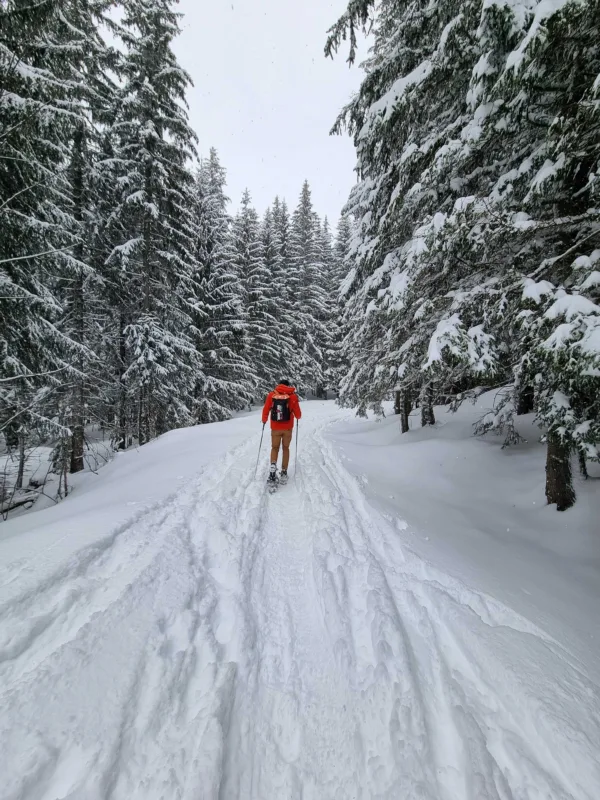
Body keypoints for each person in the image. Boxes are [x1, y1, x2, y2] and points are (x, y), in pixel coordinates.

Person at [261, 380, 302, 485]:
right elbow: (298, 415)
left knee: (275, 448)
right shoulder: (293, 396)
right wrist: (296, 416)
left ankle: (273, 466)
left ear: (279, 385)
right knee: (285, 448)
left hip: (275, 427)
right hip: (287, 428)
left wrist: (264, 420)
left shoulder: (272, 395)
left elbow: (266, 409)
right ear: (288, 386)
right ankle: (284, 472)